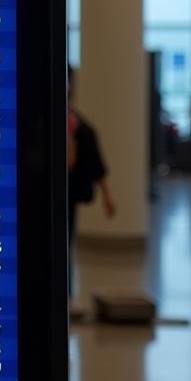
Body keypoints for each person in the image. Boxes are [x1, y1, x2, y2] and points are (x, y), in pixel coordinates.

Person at [67, 66, 116, 297]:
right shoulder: (79, 125)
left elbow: (95, 163)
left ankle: (64, 294)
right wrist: (107, 196)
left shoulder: (80, 127)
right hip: (66, 195)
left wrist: (107, 196)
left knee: (64, 245)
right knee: (63, 245)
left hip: (67, 195)